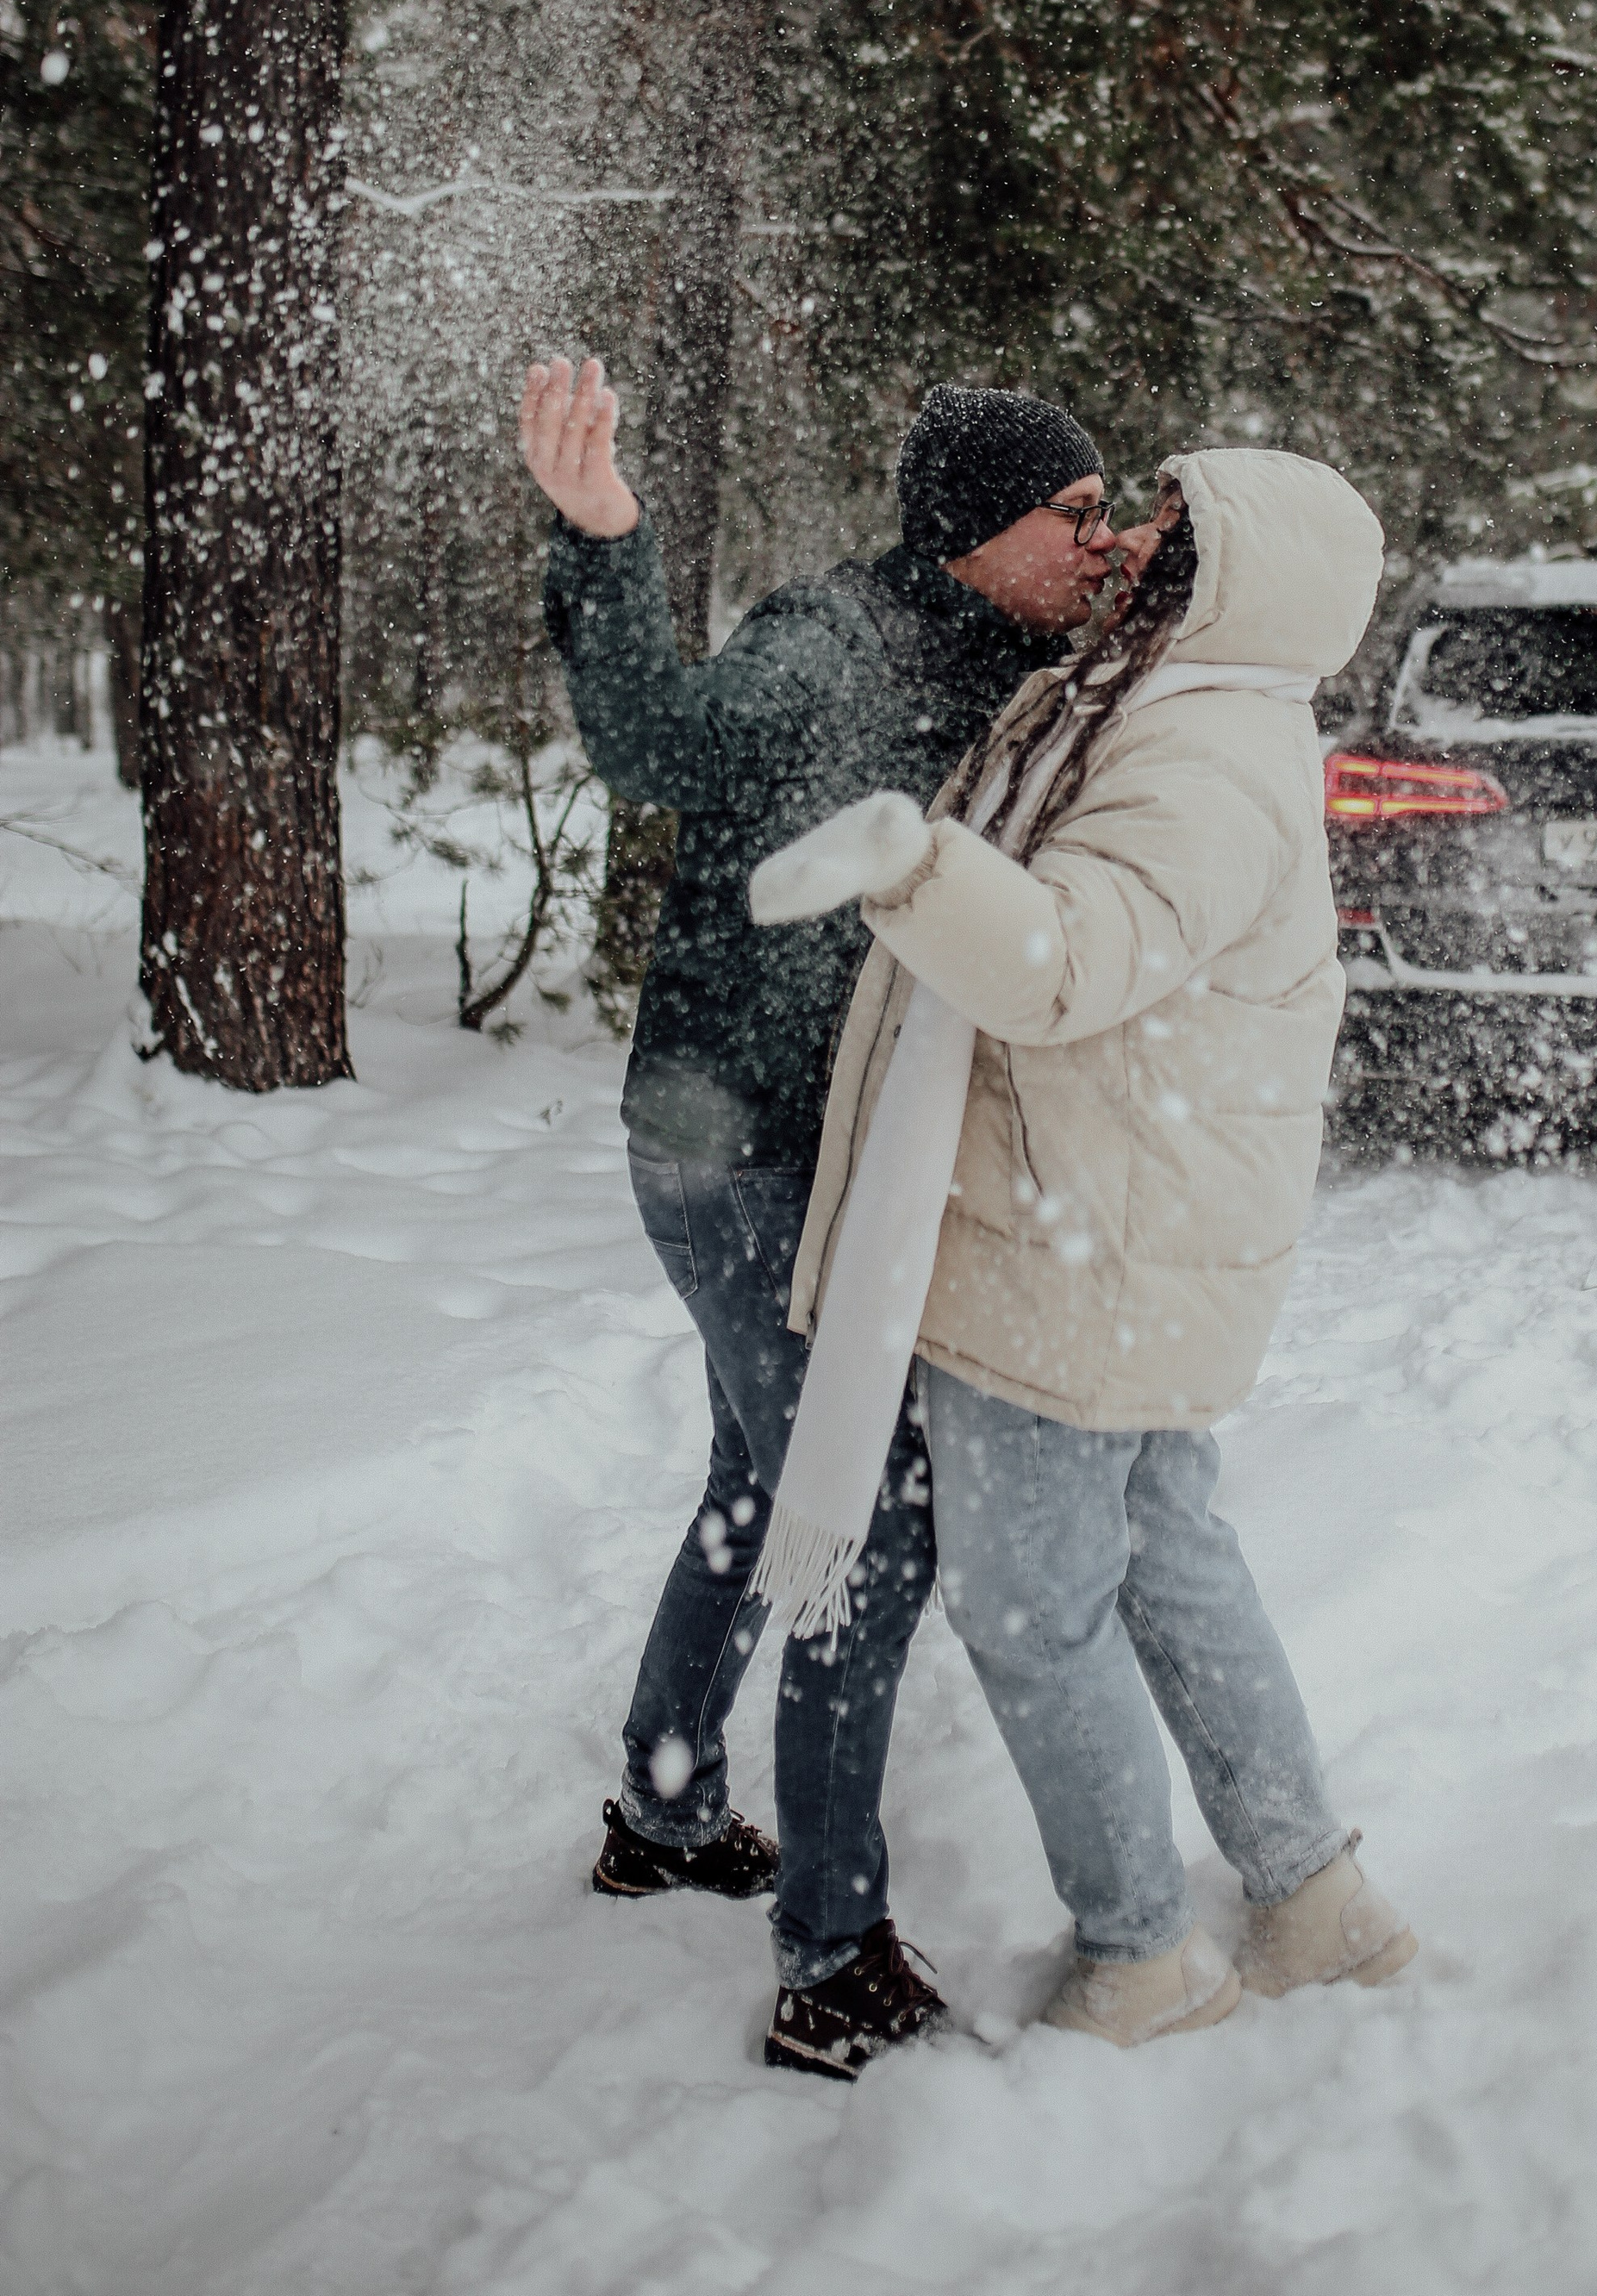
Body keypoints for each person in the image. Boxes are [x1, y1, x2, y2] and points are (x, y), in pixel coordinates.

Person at [751, 446, 1418, 2049]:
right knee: (1172, 1562)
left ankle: (1141, 1958)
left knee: (1034, 1609)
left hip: (1077, 1252)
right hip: (1117, 1224)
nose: (1119, 542)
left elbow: (1062, 967)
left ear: (1230, 575)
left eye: (1161, 526)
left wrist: (911, 863)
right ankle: (1310, 1894)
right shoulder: (1165, 708)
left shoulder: (1198, 757)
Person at [518, 356, 1119, 2077]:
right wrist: (605, 543)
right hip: (739, 1154)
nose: (1099, 539)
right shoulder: (833, 644)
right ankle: (830, 1956)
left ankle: (667, 1812)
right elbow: (653, 741)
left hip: (813, 1157)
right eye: (1074, 514)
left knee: (762, 1479)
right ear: (976, 528)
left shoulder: (1017, 665)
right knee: (865, 1516)